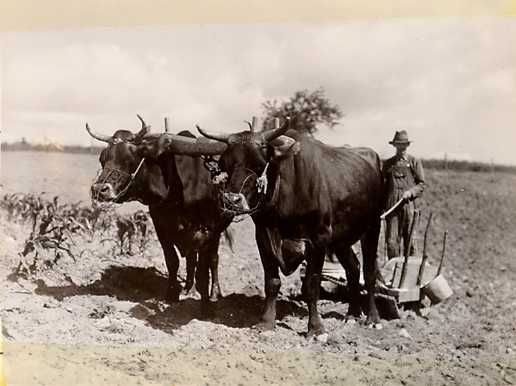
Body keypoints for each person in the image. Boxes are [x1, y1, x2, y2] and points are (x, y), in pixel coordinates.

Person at [382, 130, 425, 258]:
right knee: (391, 242)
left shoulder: (414, 162)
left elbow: (421, 184)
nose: (402, 148)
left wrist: (411, 192)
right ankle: (394, 274)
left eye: (404, 145)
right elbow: (383, 186)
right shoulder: (388, 164)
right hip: (392, 208)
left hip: (409, 207)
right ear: (394, 146)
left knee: (410, 242)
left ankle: (409, 274)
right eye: (399, 145)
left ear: (407, 145)